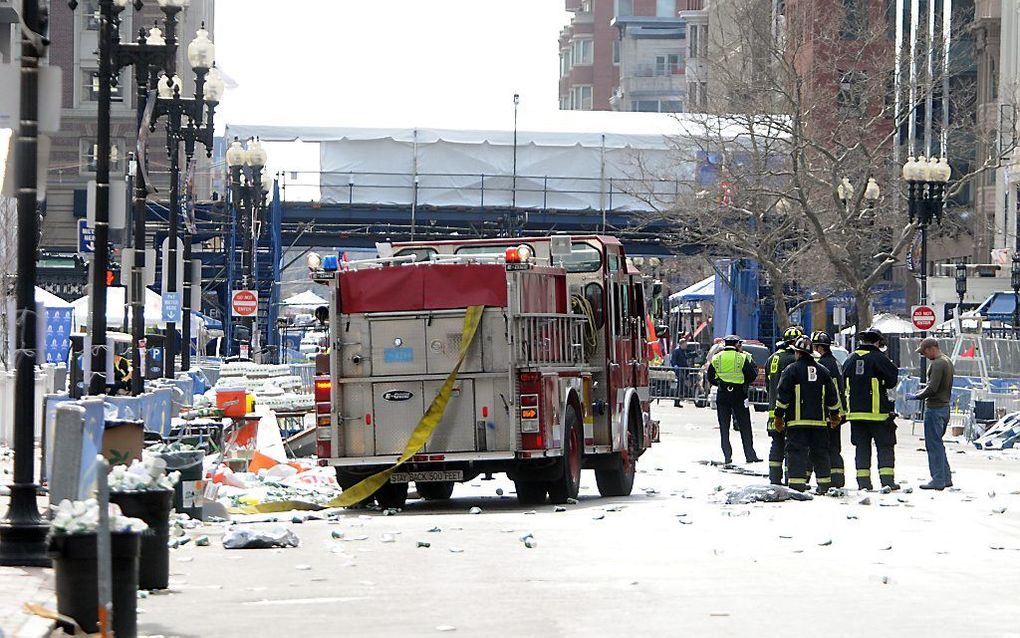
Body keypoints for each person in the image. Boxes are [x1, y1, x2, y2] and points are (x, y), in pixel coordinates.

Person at [774, 336, 843, 494]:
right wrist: (834, 415)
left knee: (797, 452)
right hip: (819, 423)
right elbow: (832, 397)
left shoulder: (791, 370)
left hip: (797, 423)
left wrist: (778, 416)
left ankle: (797, 484)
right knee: (820, 453)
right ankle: (824, 484)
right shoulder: (823, 371)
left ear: (797, 353)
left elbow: (783, 396)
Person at [842, 327, 901, 491]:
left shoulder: (850, 359)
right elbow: (891, 380)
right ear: (877, 342)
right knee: (885, 447)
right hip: (877, 414)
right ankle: (887, 481)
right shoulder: (879, 358)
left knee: (861, 448)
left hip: (855, 415)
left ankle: (863, 483)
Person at [707, 334, 761, 464]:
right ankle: (750, 455)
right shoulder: (742, 358)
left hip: (723, 394)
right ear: (737, 345)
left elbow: (710, 377)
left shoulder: (716, 358)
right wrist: (743, 383)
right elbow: (752, 375)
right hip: (739, 394)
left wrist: (720, 383)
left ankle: (727, 456)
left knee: (724, 427)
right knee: (745, 426)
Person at [910, 337, 955, 490]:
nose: (924, 355)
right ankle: (945, 477)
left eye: (924, 352)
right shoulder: (947, 361)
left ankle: (938, 479)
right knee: (938, 444)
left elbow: (932, 388)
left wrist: (917, 396)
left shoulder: (937, 364)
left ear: (931, 348)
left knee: (933, 445)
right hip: (944, 407)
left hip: (935, 408)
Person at [764, 326, 802, 484]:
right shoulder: (793, 360)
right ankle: (789, 478)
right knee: (790, 447)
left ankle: (774, 477)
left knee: (776, 444)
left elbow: (768, 384)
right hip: (789, 412)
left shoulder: (772, 358)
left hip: (773, 410)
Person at [811, 330, 846, 488]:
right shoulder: (836, 362)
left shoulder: (823, 365)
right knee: (835, 447)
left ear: (819, 348)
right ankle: (837, 478)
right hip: (839, 411)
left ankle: (828, 480)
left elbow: (826, 391)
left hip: (829, 413)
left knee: (824, 447)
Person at [670, 336, 689, 407]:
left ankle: (678, 400)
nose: (686, 345)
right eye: (685, 344)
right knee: (680, 385)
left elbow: (686, 358)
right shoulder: (677, 351)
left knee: (681, 385)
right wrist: (675, 366)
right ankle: (677, 401)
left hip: (684, 369)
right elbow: (673, 360)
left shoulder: (683, 351)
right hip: (679, 370)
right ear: (681, 344)